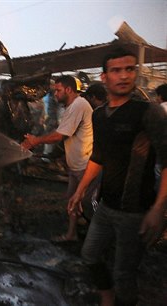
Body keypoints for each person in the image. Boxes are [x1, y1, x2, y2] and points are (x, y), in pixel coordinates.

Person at [68, 47, 167, 306]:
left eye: (129, 69)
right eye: (116, 70)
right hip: (104, 206)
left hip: (134, 212)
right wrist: (80, 191)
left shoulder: (149, 113)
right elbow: (98, 157)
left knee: (124, 273)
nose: (123, 76)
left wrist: (159, 208)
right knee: (89, 255)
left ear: (135, 72)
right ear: (104, 77)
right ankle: (107, 297)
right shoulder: (99, 115)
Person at [21, 75, 99, 242]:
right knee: (72, 201)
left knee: (89, 204)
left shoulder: (79, 105)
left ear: (69, 90)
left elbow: (59, 136)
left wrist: (36, 141)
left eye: (58, 90)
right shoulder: (71, 107)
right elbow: (68, 137)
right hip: (76, 166)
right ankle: (72, 234)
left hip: (86, 167)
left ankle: (100, 239)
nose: (55, 94)